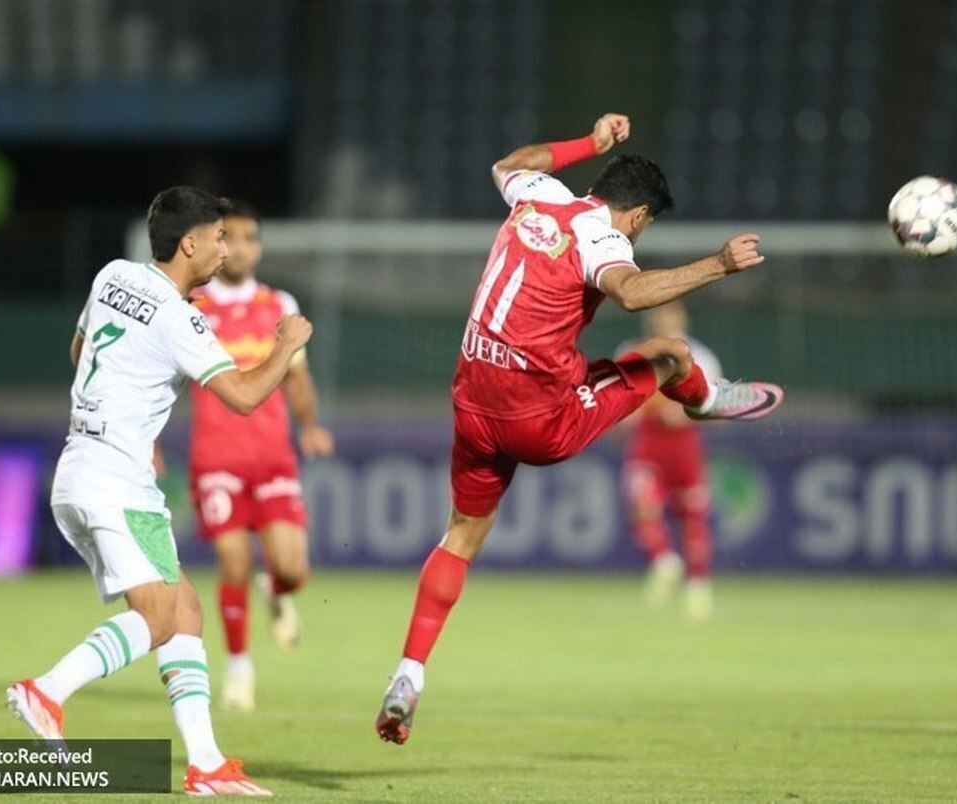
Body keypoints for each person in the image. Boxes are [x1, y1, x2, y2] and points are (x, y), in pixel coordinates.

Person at [375, 113, 784, 745]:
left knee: (459, 537)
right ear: (640, 215)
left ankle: (408, 674)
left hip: (472, 404)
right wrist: (719, 264)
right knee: (671, 351)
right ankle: (704, 400)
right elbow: (636, 293)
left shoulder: (538, 197)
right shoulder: (605, 239)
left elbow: (507, 163)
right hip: (540, 418)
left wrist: (587, 144)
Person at [7, 187, 312, 797]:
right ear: (190, 244)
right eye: (220, 237)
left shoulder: (112, 274)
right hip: (118, 481)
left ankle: (204, 762)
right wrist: (288, 343)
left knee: (186, 613)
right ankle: (47, 690)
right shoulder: (181, 318)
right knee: (157, 617)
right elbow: (247, 397)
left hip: (80, 468)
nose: (227, 247)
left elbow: (79, 350)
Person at [186, 199, 334, 712]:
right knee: (232, 560)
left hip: (272, 457)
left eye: (250, 238)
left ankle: (275, 590)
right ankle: (239, 669)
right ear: (216, 245)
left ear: (260, 247)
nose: (241, 248)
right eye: (231, 238)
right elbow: (164, 382)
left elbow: (297, 377)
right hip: (216, 455)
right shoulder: (191, 307)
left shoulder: (280, 305)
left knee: (294, 570)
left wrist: (310, 425)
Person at [620, 301, 721, 621]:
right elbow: (620, 405)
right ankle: (664, 561)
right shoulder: (632, 352)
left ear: (683, 318)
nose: (664, 319)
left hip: (684, 448)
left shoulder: (700, 356)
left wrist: (682, 414)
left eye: (671, 314)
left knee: (692, 518)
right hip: (648, 445)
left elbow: (713, 406)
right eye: (659, 314)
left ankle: (698, 588)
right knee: (641, 505)